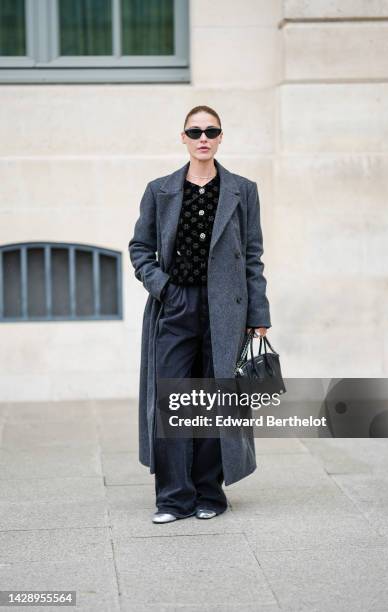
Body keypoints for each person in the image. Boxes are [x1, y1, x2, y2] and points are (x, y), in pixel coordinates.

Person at [128, 105, 271, 524]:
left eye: (211, 131)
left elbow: (253, 256)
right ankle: (173, 498)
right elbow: (140, 249)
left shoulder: (244, 190)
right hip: (176, 306)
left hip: (227, 310)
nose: (203, 137)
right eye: (195, 131)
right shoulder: (160, 190)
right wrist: (165, 288)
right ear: (184, 138)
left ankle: (209, 493)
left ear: (221, 137)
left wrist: (258, 313)